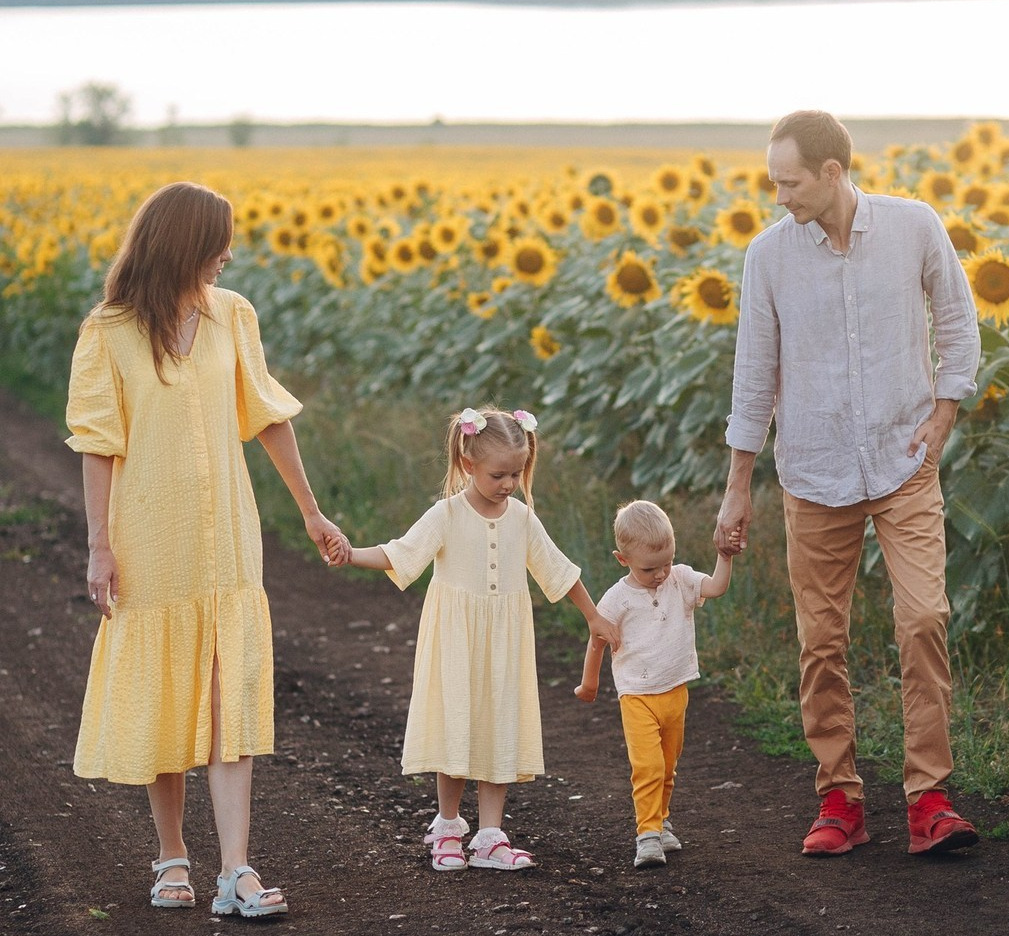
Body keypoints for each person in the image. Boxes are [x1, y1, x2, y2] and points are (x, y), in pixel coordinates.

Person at [66, 180, 350, 918]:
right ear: (183, 242)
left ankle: (237, 872)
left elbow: (268, 416)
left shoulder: (234, 317)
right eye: (218, 240)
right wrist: (99, 546)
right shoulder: (110, 330)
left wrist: (312, 511)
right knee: (165, 693)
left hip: (227, 537)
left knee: (231, 695)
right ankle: (171, 857)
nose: (229, 253)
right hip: (148, 539)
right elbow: (98, 447)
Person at [714, 109, 982, 858]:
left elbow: (959, 324)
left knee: (924, 618)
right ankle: (840, 797)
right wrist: (739, 487)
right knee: (822, 640)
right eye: (773, 182)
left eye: (789, 182)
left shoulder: (912, 227)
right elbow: (753, 375)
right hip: (813, 469)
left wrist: (945, 414)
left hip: (903, 463)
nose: (779, 197)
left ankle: (929, 797)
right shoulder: (768, 257)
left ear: (833, 173)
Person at [337, 406, 620, 872]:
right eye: (498, 474)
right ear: (468, 463)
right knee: (457, 727)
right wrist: (350, 555)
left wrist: (592, 617)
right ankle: (447, 827)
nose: (509, 483)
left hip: (505, 643)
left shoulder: (523, 519)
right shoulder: (446, 514)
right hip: (456, 641)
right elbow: (400, 553)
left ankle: (490, 836)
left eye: (517, 473)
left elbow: (559, 570)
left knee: (498, 728)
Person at [574, 500, 734, 869]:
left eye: (667, 562)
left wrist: (724, 556)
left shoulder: (679, 579)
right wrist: (589, 683)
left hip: (675, 691)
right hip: (637, 696)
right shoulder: (617, 599)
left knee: (667, 764)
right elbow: (597, 639)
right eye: (650, 568)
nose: (661, 573)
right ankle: (646, 833)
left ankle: (661, 820)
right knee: (647, 766)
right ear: (622, 559)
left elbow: (717, 587)